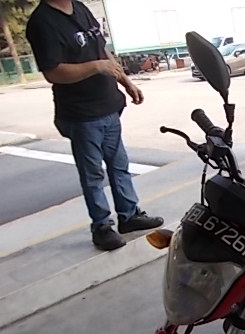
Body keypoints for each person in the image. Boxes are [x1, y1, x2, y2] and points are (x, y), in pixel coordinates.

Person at [26, 0, 163, 251]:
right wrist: (96, 66)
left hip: (108, 105)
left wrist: (126, 82)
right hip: (82, 114)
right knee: (93, 175)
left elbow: (101, 50)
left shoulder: (80, 8)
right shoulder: (42, 22)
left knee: (120, 167)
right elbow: (53, 72)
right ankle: (102, 227)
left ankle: (129, 215)